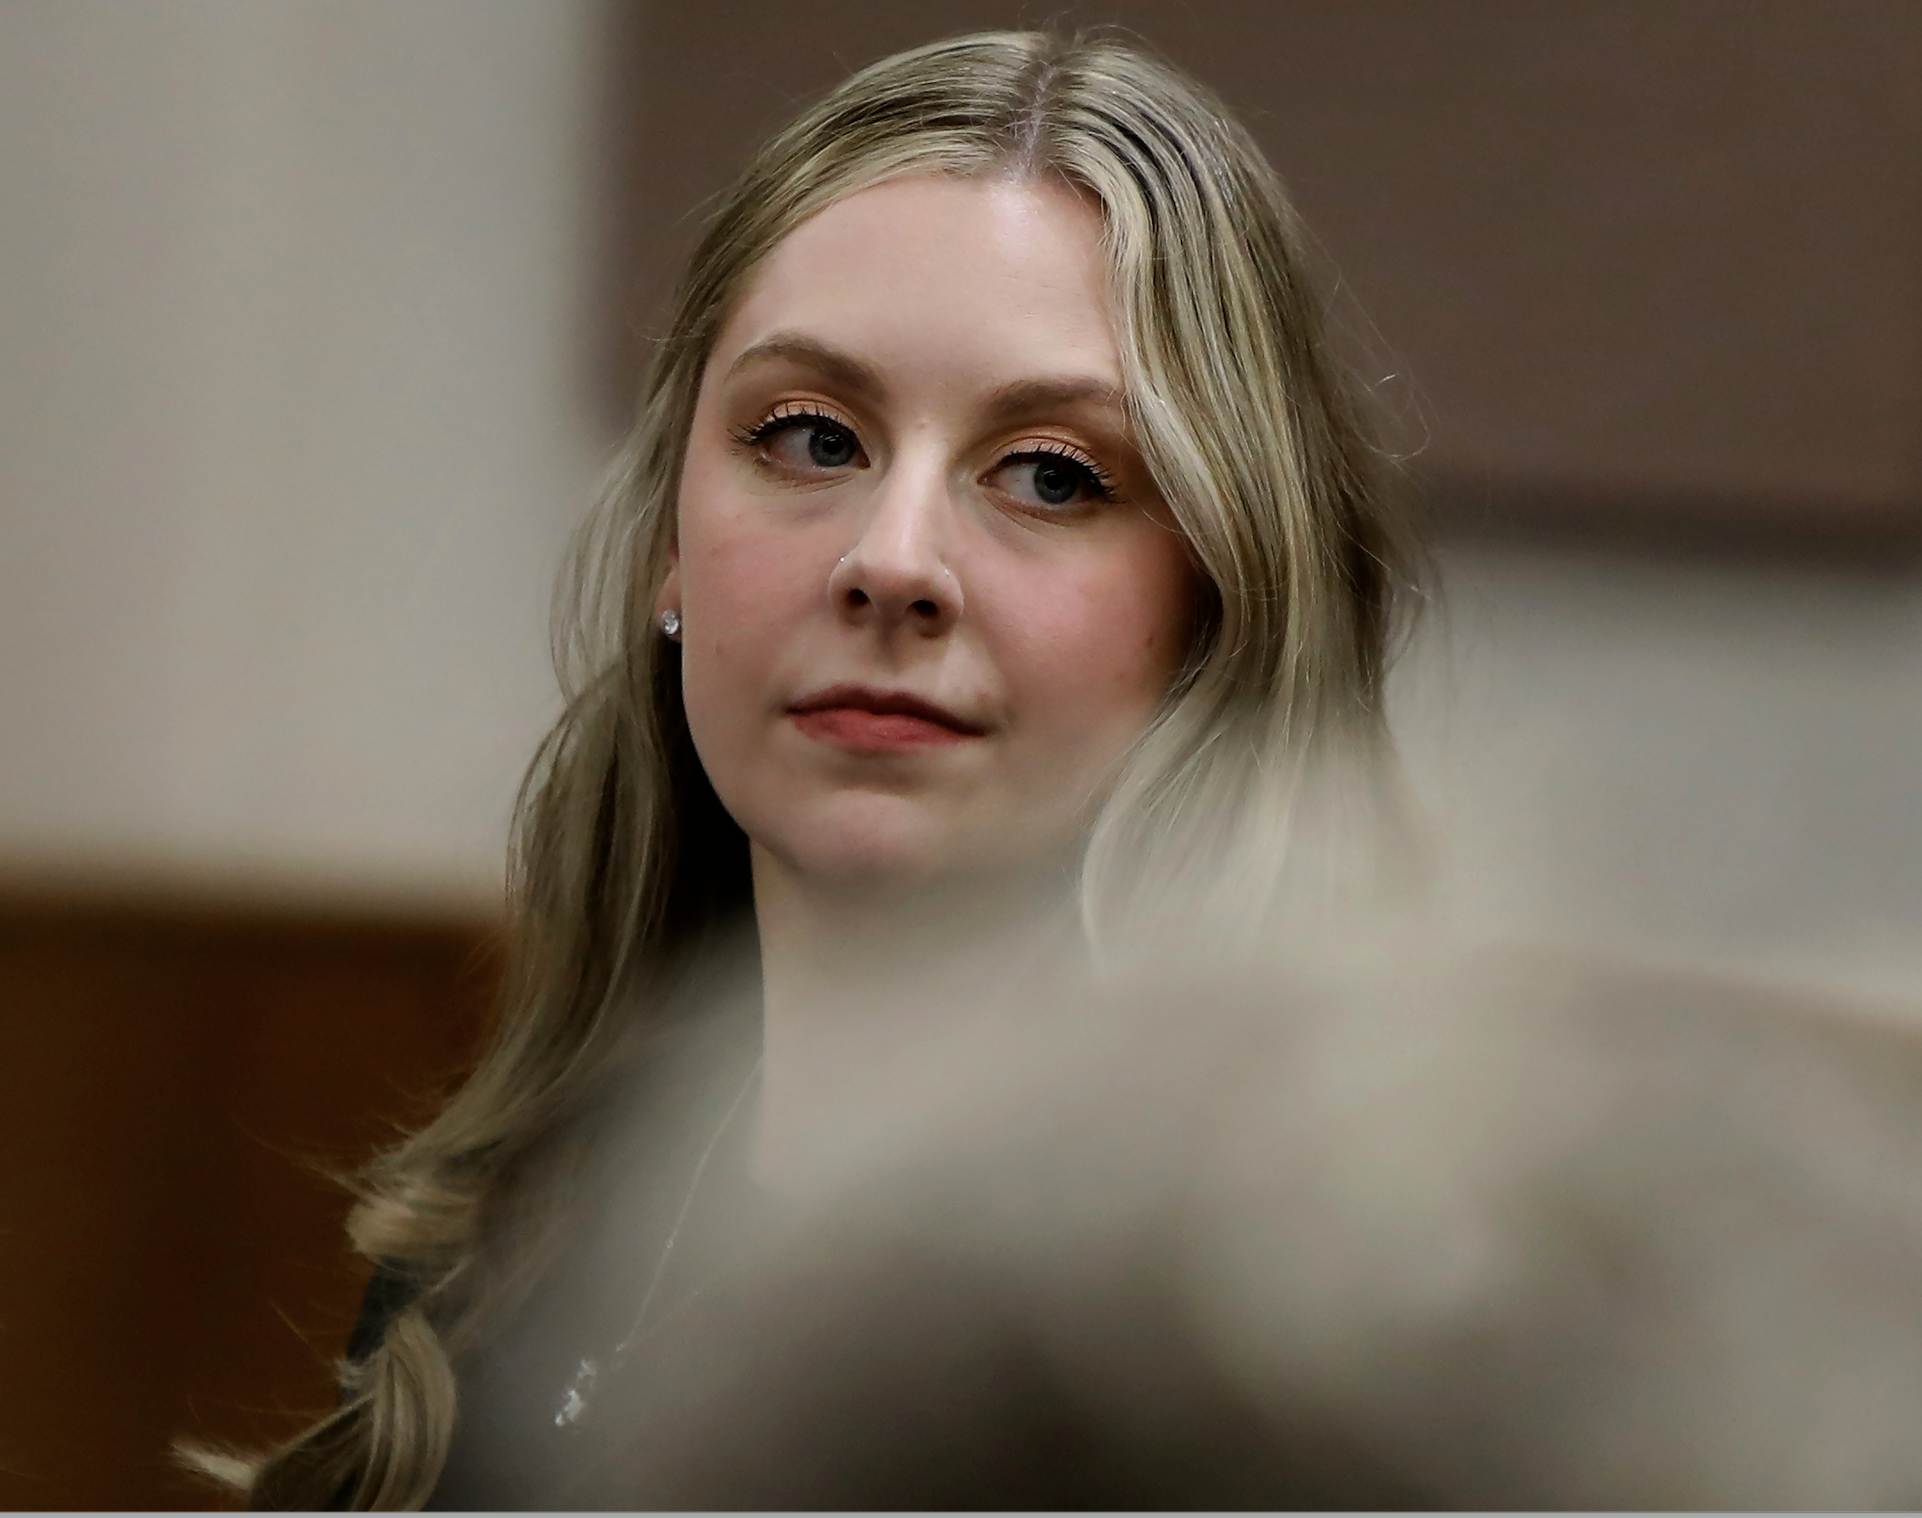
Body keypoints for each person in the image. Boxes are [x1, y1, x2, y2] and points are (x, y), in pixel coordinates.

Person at [197, 28, 1417, 1509]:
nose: (892, 560)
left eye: (1051, 473)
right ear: (670, 546)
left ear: (1217, 605)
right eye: (809, 436)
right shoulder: (493, 1270)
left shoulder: (1313, 1360)